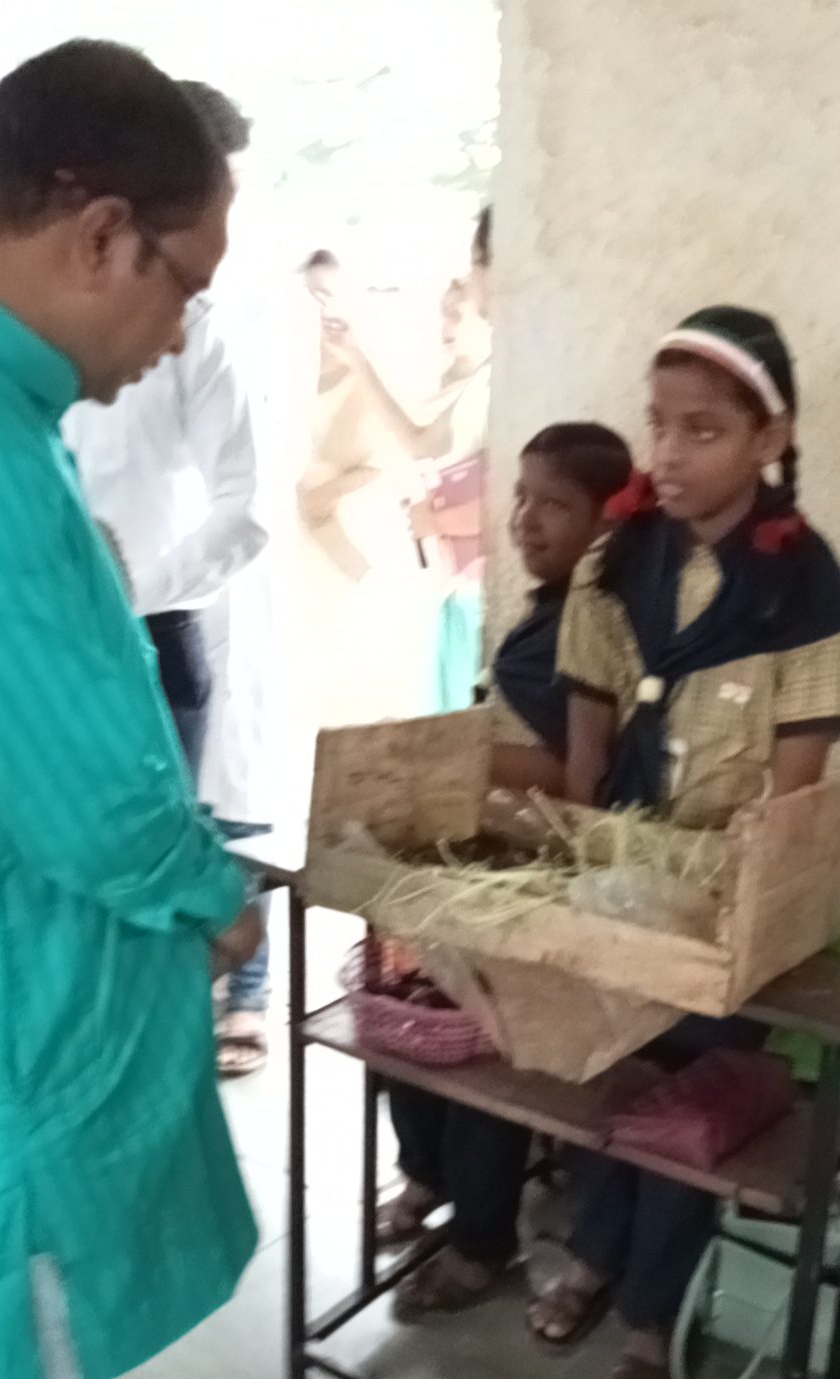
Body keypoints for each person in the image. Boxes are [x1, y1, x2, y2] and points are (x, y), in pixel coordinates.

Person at [0, 39, 262, 1379]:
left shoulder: (2, 423)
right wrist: (212, 898)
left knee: (26, 1318)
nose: (175, 334)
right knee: (29, 1325)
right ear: (97, 234)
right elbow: (85, 793)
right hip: (10, 995)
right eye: (183, 283)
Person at [526, 307, 840, 1379]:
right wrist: (574, 871)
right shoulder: (617, 560)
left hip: (727, 897)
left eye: (703, 430)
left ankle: (648, 1324)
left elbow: (797, 791)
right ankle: (592, 1256)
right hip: (614, 874)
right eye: (657, 424)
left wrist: (735, 913)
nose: (666, 454)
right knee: (608, 1076)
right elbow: (587, 741)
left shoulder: (809, 592)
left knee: (688, 1112)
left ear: (772, 438)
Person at [380, 423, 634, 1317]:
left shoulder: (596, 624)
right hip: (483, 851)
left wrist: (456, 759)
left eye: (554, 504)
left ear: (606, 522)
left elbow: (577, 777)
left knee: (487, 1048)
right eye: (521, 496)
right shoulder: (544, 608)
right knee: (407, 1008)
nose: (525, 518)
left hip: (539, 869)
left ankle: (481, 1239)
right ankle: (425, 1175)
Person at [64, 81, 272, 1076]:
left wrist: (130, 593)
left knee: (163, 863)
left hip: (152, 627)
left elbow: (245, 508)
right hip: (55, 627)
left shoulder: (197, 334)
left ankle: (182, 1036)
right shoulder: (31, 349)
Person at [282, 245, 429, 787]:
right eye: (309, 297)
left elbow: (400, 463)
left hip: (356, 546)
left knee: (360, 686)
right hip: (298, 550)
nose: (320, 310)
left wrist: (329, 492)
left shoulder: (373, 376)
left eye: (328, 296)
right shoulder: (282, 378)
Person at [343, 208, 493, 711]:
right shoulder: (461, 388)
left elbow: (495, 503)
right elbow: (418, 441)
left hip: (476, 589)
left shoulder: (489, 389)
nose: (445, 325)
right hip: (454, 587)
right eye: (443, 313)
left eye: (456, 314)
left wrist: (436, 519)